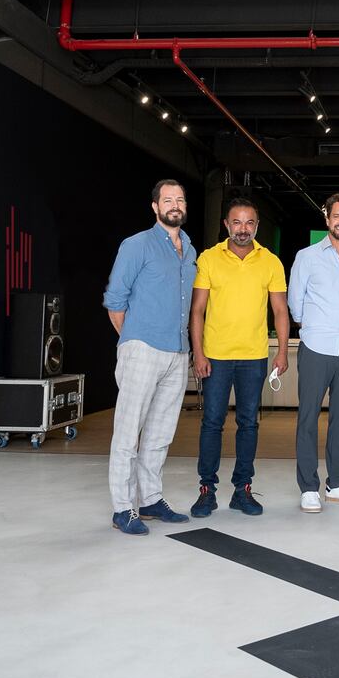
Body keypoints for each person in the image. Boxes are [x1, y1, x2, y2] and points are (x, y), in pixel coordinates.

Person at [103, 180, 197, 535]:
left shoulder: (189, 250)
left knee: (160, 433)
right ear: (155, 207)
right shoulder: (137, 245)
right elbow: (115, 300)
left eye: (180, 199)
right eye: (167, 200)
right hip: (142, 349)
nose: (175, 204)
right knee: (128, 433)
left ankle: (151, 499)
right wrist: (134, 339)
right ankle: (123, 508)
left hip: (177, 352)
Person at [189, 197, 290, 518]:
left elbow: (279, 311)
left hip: (254, 357)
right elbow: (197, 310)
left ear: (257, 227)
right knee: (212, 423)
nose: (243, 229)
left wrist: (283, 351)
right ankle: (207, 490)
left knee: (249, 424)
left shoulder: (271, 261)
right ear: (226, 225)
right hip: (215, 357)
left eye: (249, 223)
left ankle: (242, 490)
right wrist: (199, 352)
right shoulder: (208, 258)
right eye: (237, 222)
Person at [288, 192, 339, 512]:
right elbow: (296, 303)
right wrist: (313, 328)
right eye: (337, 216)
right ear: (327, 218)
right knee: (308, 417)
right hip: (316, 347)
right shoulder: (307, 256)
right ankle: (308, 487)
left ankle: (336, 483)